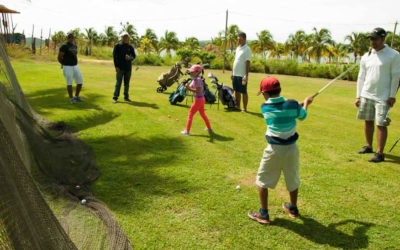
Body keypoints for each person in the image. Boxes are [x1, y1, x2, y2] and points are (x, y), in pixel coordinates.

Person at [248, 76, 313, 225]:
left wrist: (298, 105)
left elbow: (283, 110)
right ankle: (293, 208)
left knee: (262, 180)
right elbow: (302, 115)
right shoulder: (292, 105)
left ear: (265, 94)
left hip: (274, 150)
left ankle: (263, 214)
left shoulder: (264, 107)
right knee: (292, 179)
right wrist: (305, 104)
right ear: (280, 89)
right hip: (291, 149)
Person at [355, 27, 400, 163]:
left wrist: (392, 95)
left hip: (383, 96)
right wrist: (358, 96)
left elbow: (396, 76)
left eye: (375, 39)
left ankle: (380, 153)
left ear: (383, 39)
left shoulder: (393, 55)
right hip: (366, 93)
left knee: (381, 124)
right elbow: (361, 77)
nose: (373, 42)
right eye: (371, 39)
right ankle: (369, 146)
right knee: (368, 121)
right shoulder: (367, 55)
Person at [181, 65, 213, 136]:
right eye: (191, 72)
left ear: (198, 72)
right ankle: (209, 128)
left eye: (192, 72)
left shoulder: (198, 80)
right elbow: (191, 87)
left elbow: (197, 91)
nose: (191, 73)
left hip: (199, 100)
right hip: (201, 99)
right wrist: (187, 87)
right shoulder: (195, 79)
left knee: (190, 114)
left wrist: (189, 89)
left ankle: (187, 131)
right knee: (202, 114)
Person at [58, 33, 83, 104]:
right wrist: (64, 64)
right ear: (67, 38)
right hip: (67, 66)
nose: (71, 39)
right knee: (69, 83)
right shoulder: (64, 46)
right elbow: (59, 57)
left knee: (80, 82)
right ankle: (71, 98)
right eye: (69, 37)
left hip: (75, 66)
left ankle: (77, 96)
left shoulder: (75, 46)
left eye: (72, 37)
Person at [112, 33, 136, 103]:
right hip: (119, 68)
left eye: (127, 37)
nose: (126, 38)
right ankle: (115, 97)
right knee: (118, 83)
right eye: (124, 37)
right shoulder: (117, 46)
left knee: (127, 84)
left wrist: (130, 58)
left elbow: (134, 56)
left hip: (128, 68)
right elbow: (114, 57)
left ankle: (126, 97)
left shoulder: (130, 47)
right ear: (121, 38)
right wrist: (116, 66)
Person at [232, 32, 252, 113]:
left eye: (240, 39)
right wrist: (232, 73)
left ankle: (245, 108)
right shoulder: (237, 48)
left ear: (244, 39)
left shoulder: (247, 49)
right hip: (235, 74)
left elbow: (247, 63)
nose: (238, 41)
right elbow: (236, 61)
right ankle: (238, 106)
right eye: (238, 39)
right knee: (236, 91)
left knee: (243, 91)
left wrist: (246, 75)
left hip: (242, 75)